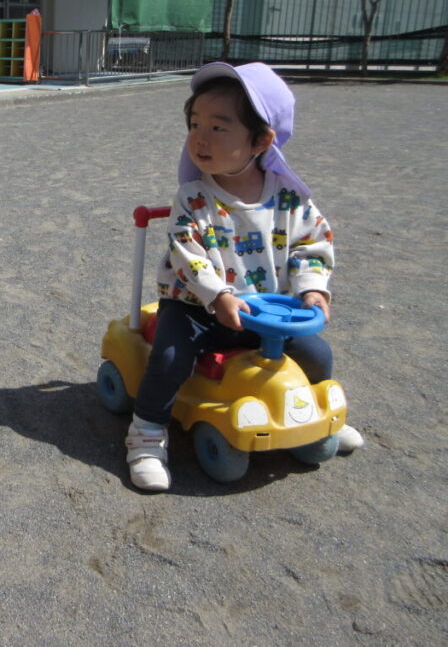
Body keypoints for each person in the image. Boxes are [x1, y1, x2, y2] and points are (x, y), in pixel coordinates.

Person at [126, 62, 363, 492]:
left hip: (266, 310)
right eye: (195, 124)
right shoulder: (193, 197)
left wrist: (312, 288)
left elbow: (312, 244)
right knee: (170, 357)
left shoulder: (289, 199)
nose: (200, 137)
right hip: (197, 306)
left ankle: (312, 417)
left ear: (261, 140)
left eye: (219, 127)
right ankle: (146, 432)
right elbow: (187, 253)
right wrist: (217, 295)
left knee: (317, 354)